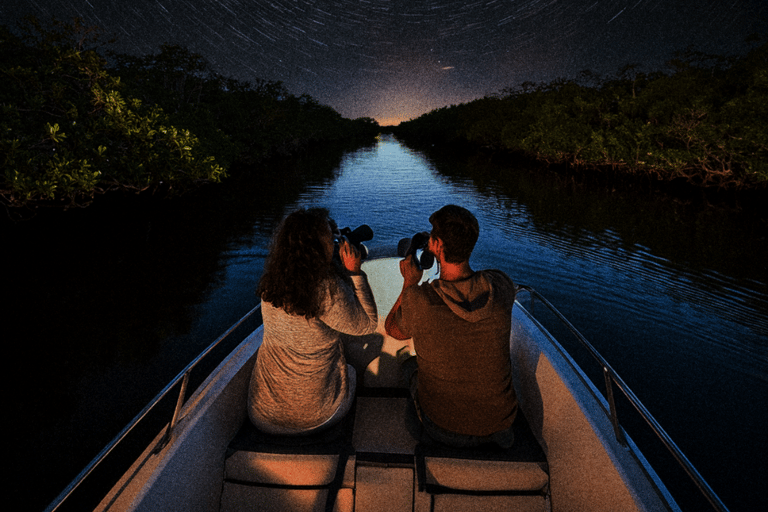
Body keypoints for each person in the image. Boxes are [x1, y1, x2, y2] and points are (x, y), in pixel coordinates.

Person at [385, 205, 518, 448]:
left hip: (442, 429)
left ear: (435, 244)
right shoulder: (501, 285)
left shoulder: (420, 299)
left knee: (409, 366)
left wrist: (409, 284)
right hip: (502, 430)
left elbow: (393, 329)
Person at [248, 207, 378, 435]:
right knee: (351, 370)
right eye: (331, 237)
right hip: (317, 418)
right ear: (315, 245)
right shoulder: (327, 289)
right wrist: (355, 273)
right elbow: (367, 324)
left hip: (262, 415)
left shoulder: (271, 282)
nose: (336, 241)